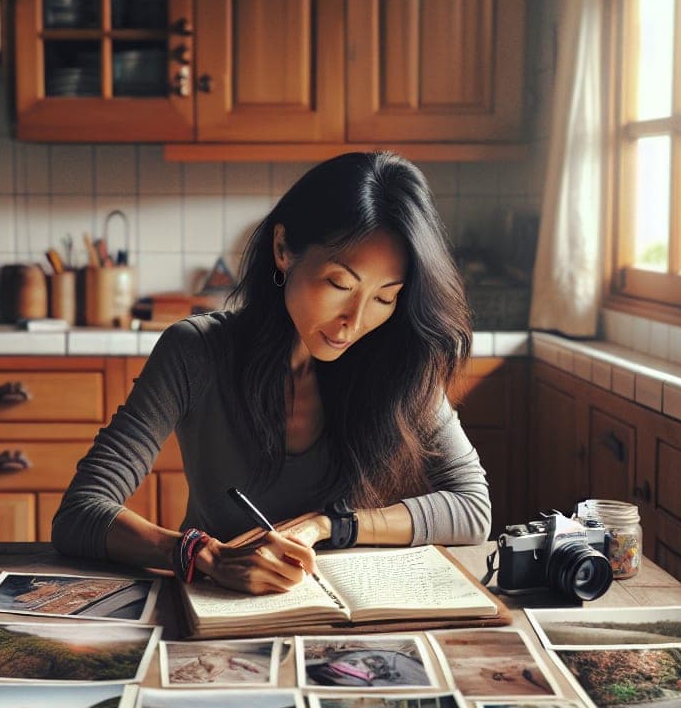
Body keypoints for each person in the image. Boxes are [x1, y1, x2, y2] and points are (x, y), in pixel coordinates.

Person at [52, 152, 490, 594]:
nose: (354, 321)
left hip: (347, 612)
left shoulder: (397, 360)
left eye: (384, 298)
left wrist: (330, 526)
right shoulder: (196, 351)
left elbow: (472, 509)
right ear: (283, 250)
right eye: (340, 285)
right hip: (222, 605)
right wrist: (205, 556)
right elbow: (80, 512)